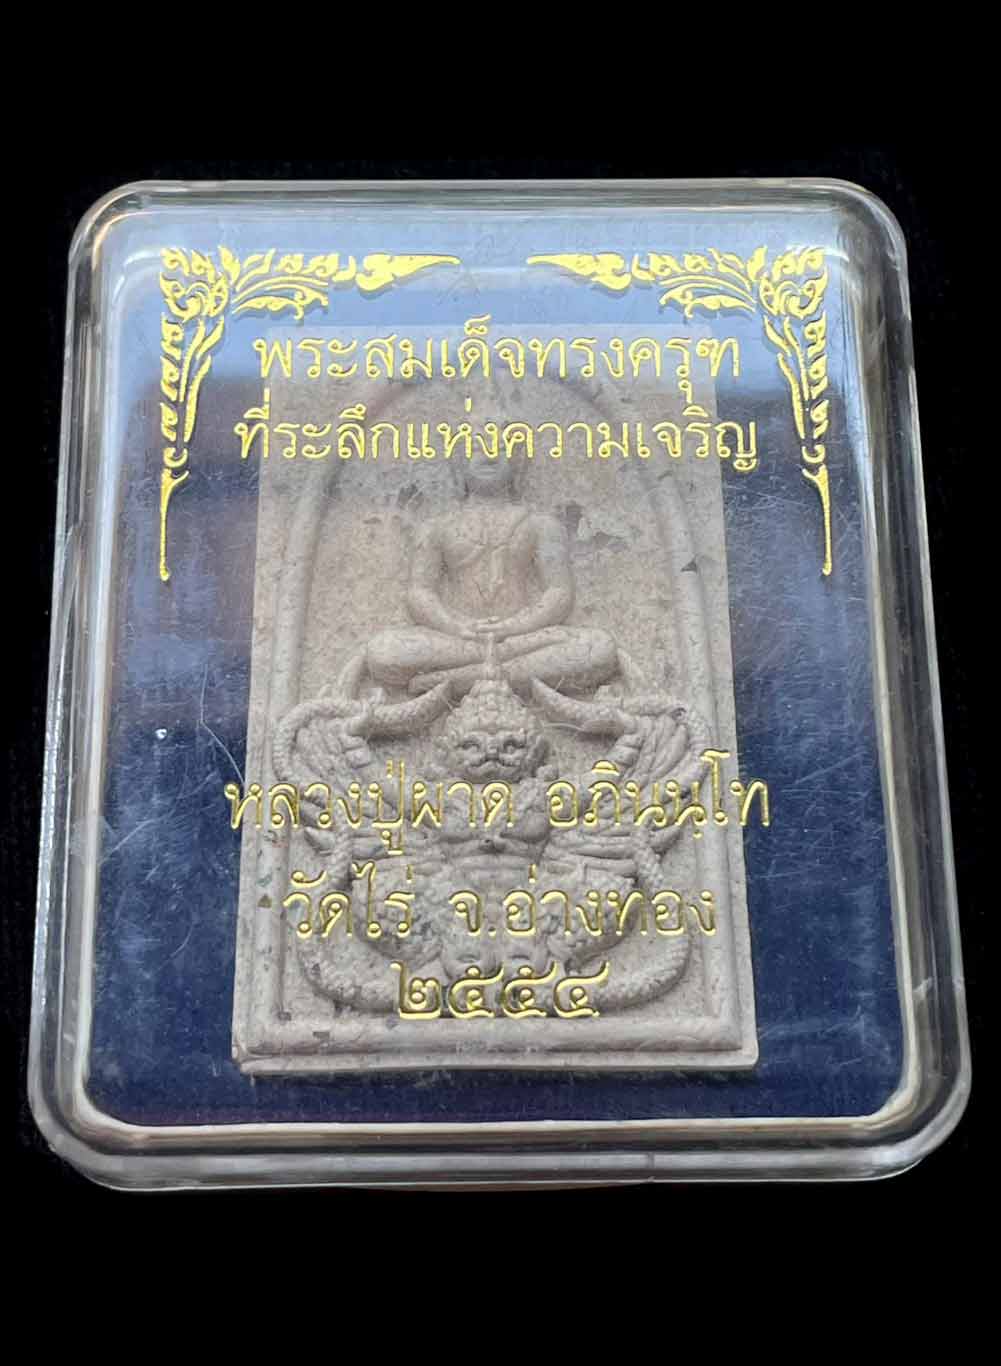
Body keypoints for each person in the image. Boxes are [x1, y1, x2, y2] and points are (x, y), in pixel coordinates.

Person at [366, 456, 617, 697]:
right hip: (459, 640)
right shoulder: (436, 528)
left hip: (521, 638)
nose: (489, 455)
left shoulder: (541, 525)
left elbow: (559, 592)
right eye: (476, 446)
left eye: (502, 446)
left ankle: (453, 679)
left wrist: (513, 627)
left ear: (518, 462)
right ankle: (502, 672)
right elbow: (420, 592)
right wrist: (457, 627)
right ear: (458, 463)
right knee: (383, 651)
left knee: (598, 647)